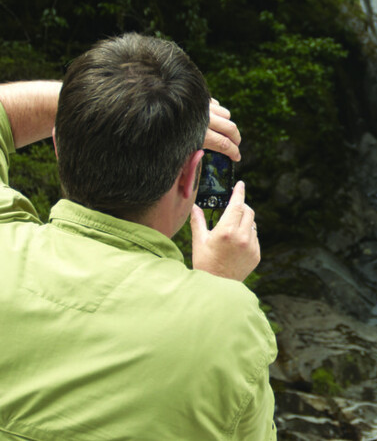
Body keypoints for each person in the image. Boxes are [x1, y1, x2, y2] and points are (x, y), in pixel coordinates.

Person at [0, 34, 277, 439]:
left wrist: (92, 107)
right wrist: (213, 291)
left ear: (58, 143)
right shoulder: (227, 326)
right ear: (189, 175)